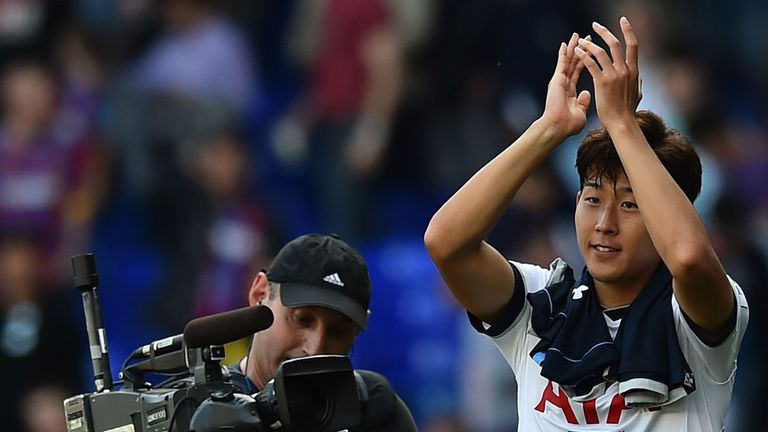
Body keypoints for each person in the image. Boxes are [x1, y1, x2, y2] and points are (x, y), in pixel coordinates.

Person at [424, 17, 748, 432]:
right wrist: (548, 129)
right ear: (576, 203)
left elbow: (687, 258)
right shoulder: (539, 305)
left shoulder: (696, 316)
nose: (604, 224)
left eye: (630, 205)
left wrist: (622, 123)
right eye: (593, 200)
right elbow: (446, 243)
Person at [230, 233, 417, 431]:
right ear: (260, 294)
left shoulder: (374, 412)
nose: (315, 349)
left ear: (356, 333)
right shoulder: (210, 414)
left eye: (337, 331)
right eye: (302, 319)